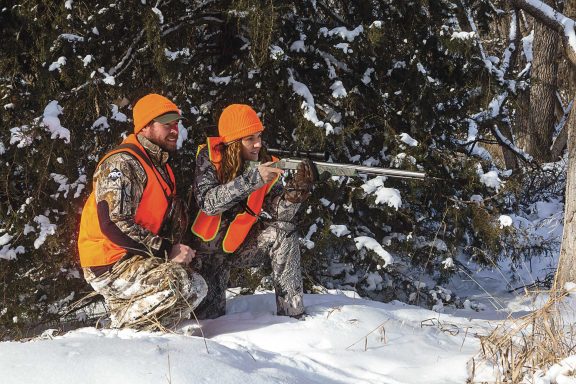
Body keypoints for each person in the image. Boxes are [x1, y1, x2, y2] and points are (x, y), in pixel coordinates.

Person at [78, 93, 207, 330]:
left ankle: (149, 333)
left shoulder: (160, 165)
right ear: (145, 127)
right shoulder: (122, 163)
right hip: (109, 261)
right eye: (166, 124)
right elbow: (113, 224)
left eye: (176, 123)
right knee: (178, 283)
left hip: (134, 257)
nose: (174, 130)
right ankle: (119, 330)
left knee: (197, 286)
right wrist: (167, 251)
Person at [190, 104, 316, 319]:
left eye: (259, 136)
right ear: (232, 142)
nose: (258, 144)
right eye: (249, 139)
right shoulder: (208, 159)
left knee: (284, 231)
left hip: (238, 246)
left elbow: (280, 213)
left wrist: (296, 193)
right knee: (209, 320)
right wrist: (253, 179)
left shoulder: (262, 164)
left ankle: (293, 314)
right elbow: (209, 203)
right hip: (206, 256)